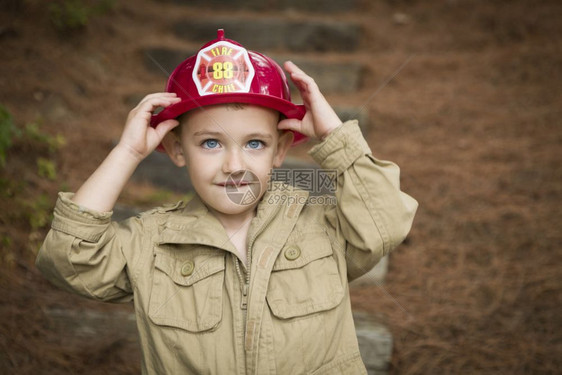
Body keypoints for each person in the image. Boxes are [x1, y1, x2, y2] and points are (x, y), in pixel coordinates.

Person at [36, 29, 417, 374]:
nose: (234, 165)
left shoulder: (322, 227)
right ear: (176, 149)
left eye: (255, 143)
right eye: (210, 143)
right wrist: (127, 153)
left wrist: (334, 136)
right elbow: (68, 256)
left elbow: (385, 221)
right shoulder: (152, 243)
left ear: (280, 149)